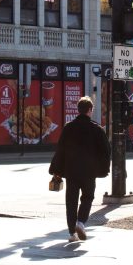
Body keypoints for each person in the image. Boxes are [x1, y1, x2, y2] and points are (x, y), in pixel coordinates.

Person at [49, 96, 111, 242]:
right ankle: (81, 223)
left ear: (78, 110)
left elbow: (61, 150)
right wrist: (103, 169)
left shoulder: (68, 127)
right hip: (89, 171)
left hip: (71, 171)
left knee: (71, 201)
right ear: (90, 110)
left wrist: (56, 169)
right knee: (87, 197)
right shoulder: (97, 129)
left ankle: (72, 233)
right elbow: (106, 151)